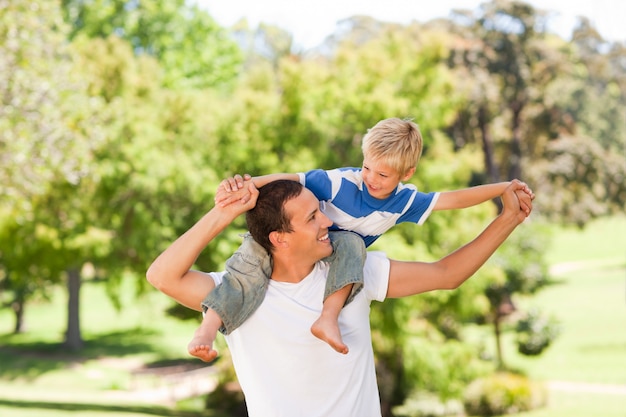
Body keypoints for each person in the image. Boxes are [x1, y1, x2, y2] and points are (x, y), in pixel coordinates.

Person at [146, 178, 533, 417]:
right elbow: (161, 276)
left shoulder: (350, 274)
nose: (328, 222)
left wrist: (508, 219)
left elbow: (446, 275)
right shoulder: (236, 290)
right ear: (279, 239)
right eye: (313, 218)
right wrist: (224, 212)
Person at [189, 118, 534, 362]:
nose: (370, 178)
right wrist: (246, 188)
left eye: (382, 174)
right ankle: (207, 329)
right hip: (290, 242)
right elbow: (288, 178)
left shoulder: (405, 202)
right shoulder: (341, 182)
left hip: (334, 252)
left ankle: (328, 317)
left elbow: (453, 199)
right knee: (246, 269)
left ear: (406, 174)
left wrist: (502, 189)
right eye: (367, 167)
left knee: (352, 245)